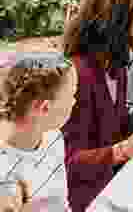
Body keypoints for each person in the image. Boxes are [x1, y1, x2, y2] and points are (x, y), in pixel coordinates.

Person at [61, 0, 133, 212]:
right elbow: (67, 164)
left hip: (115, 186)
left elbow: (114, 126)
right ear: (122, 17)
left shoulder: (115, 67)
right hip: (88, 201)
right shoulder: (79, 76)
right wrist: (121, 151)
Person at [0, 53, 77, 212]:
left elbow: (61, 204)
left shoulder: (54, 138)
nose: (74, 101)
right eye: (72, 95)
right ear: (45, 108)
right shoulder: (5, 172)